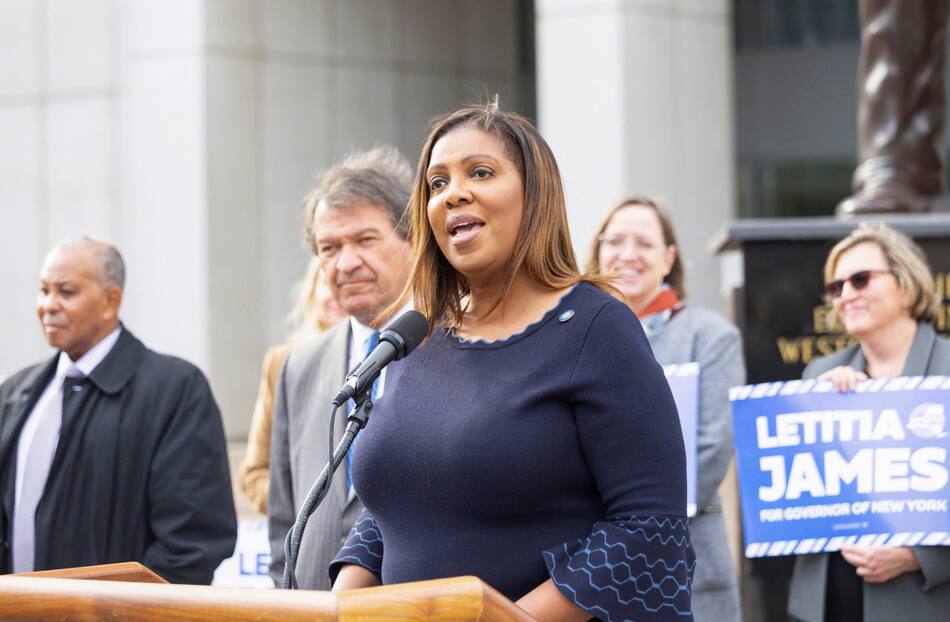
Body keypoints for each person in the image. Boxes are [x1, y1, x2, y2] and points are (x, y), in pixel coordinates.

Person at [330, 103, 695, 621]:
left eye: (480, 172)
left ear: (534, 195)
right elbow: (397, 505)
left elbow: (648, 530)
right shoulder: (421, 334)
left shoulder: (596, 327)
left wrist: (505, 620)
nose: (452, 192)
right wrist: (342, 605)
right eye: (436, 183)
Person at [0, 238, 236, 584]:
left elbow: (192, 542)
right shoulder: (15, 392)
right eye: (43, 290)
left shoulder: (175, 390)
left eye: (66, 292)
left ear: (111, 302)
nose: (48, 305)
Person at [588, 196, 743, 622]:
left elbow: (712, 450)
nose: (628, 254)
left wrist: (624, 527)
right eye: (615, 241)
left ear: (668, 257)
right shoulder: (572, 335)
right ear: (598, 251)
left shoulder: (711, 337)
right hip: (590, 569)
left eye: (644, 243)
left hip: (688, 564)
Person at [787, 223, 950, 622]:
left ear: (906, 282)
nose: (846, 295)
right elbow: (790, 489)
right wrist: (814, 411)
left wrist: (919, 558)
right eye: (836, 287)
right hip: (828, 599)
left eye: (860, 280)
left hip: (921, 600)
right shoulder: (819, 374)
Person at [267, 146, 414, 590]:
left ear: (413, 238)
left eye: (365, 240)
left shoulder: (456, 345)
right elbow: (282, 519)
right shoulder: (300, 366)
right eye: (329, 248)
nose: (345, 263)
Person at [239, 260, 345, 514]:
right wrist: (309, 510)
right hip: (305, 535)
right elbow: (254, 474)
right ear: (310, 294)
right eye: (324, 283)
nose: (336, 294)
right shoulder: (284, 363)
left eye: (344, 282)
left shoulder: (393, 355)